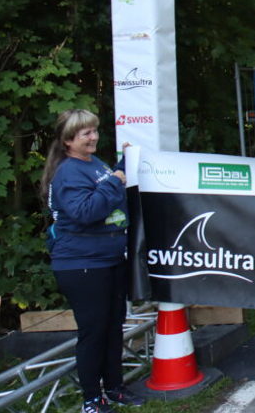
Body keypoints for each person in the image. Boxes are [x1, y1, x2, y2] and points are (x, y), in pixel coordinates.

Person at [39, 109, 145, 413]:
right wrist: (114, 181)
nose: (94, 137)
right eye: (85, 133)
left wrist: (122, 166)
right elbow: (86, 212)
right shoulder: (67, 172)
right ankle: (91, 399)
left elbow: (108, 186)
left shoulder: (93, 163)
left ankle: (114, 388)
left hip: (109, 260)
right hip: (82, 265)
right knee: (94, 332)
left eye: (95, 130)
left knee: (113, 328)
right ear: (68, 140)